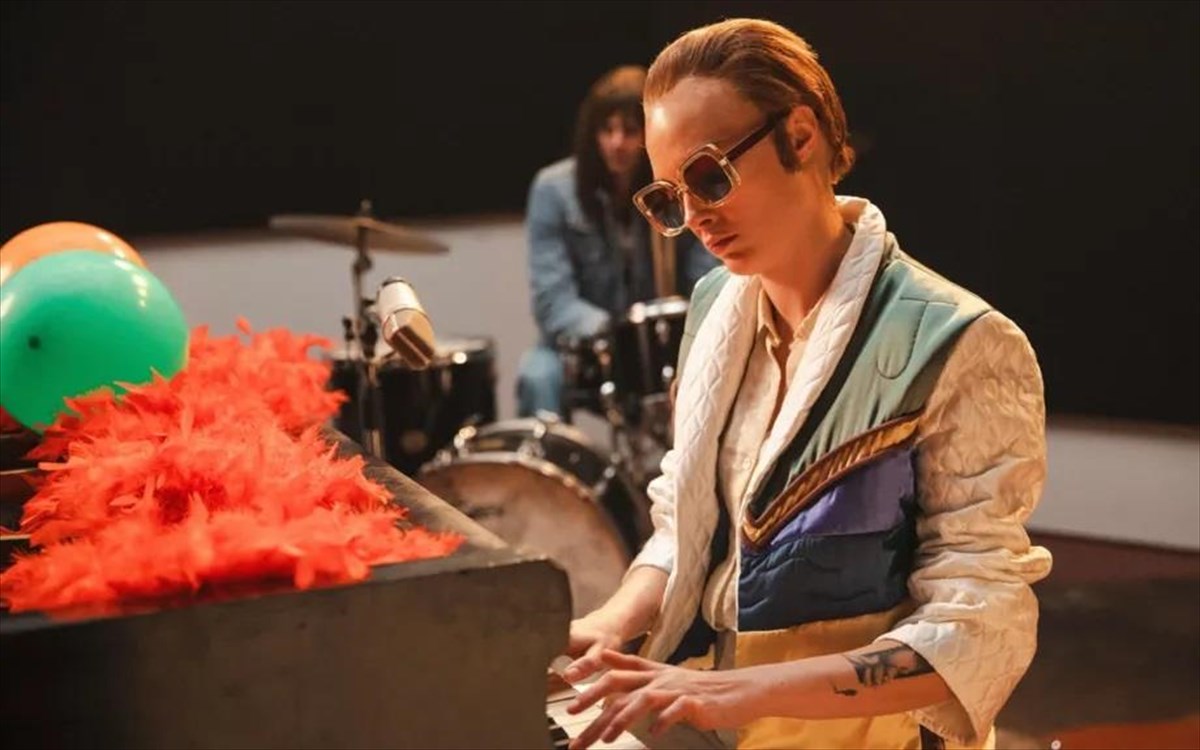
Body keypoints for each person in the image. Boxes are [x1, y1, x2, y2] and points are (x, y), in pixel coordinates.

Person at [561, 18, 1052, 750]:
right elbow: (685, 523)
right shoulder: (713, 310)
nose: (694, 218)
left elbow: (978, 629)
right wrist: (612, 621)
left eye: (708, 176)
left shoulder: (965, 343)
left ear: (801, 136)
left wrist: (733, 690)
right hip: (723, 725)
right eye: (669, 198)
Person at [516, 65, 719, 419]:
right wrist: (615, 332)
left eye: (629, 130)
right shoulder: (553, 189)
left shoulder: (672, 187)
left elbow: (707, 278)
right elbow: (552, 301)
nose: (617, 143)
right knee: (538, 374)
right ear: (591, 134)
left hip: (660, 344)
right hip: (585, 348)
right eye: (606, 130)